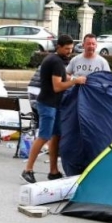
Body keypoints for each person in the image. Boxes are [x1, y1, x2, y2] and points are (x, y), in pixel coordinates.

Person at [21, 34, 85, 184]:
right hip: (48, 104)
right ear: (59, 47)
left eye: (71, 48)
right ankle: (27, 169)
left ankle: (53, 171)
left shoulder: (58, 60)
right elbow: (57, 87)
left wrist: (72, 79)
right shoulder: (55, 62)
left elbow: (63, 79)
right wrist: (75, 81)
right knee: (44, 136)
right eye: (67, 49)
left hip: (54, 105)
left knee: (56, 135)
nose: (70, 51)